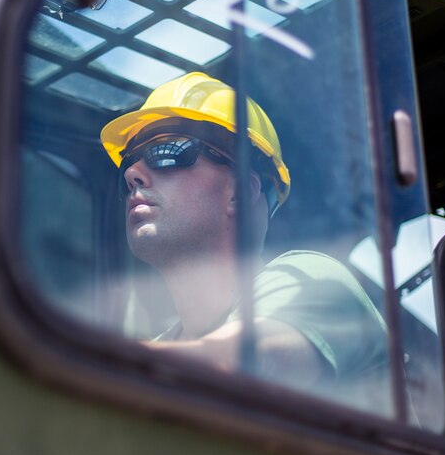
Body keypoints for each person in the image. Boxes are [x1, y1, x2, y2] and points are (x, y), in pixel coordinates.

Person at [100, 71, 389, 402]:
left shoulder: (312, 281)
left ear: (237, 192)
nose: (132, 174)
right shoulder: (168, 347)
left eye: (165, 151)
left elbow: (244, 362)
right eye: (128, 160)